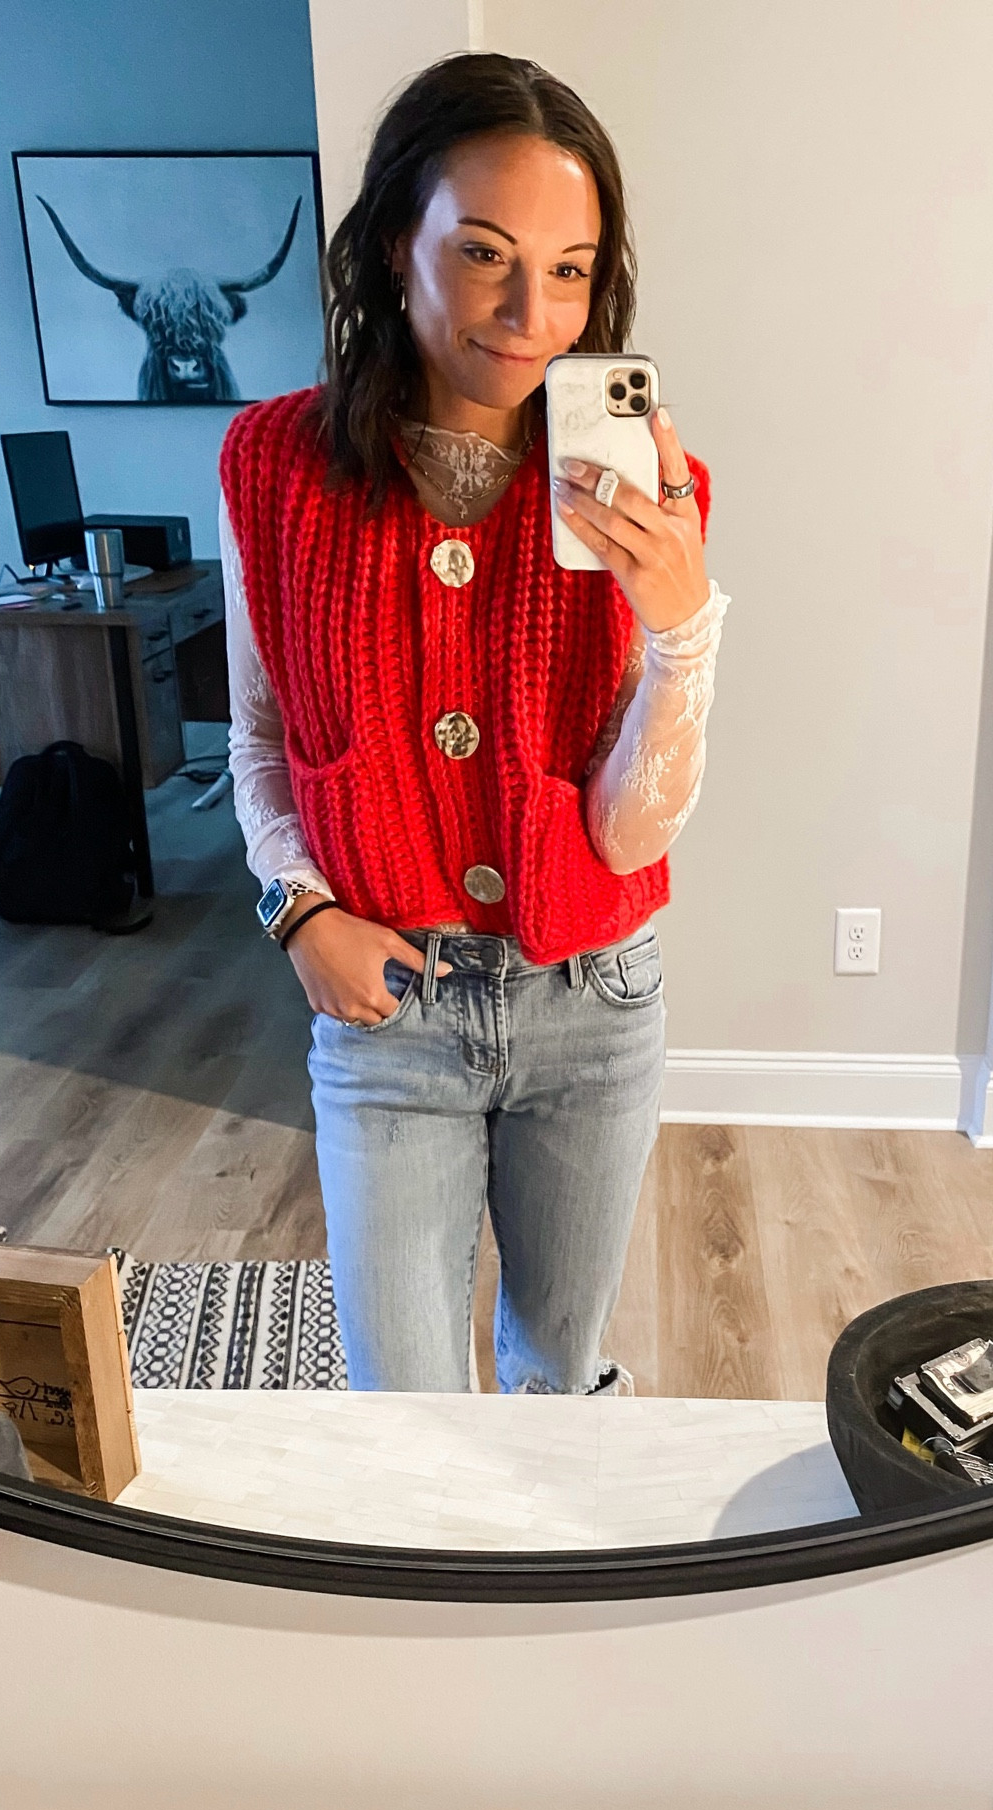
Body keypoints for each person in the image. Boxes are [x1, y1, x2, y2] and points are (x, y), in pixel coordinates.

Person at [220, 53, 729, 1393]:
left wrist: (679, 630)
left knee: (558, 1378)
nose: (529, 311)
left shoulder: (649, 497)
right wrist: (299, 911)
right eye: (486, 253)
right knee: (402, 1404)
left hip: (593, 1001)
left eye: (570, 269)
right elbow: (259, 739)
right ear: (400, 245)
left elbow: (630, 837)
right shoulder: (272, 470)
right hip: (388, 1013)